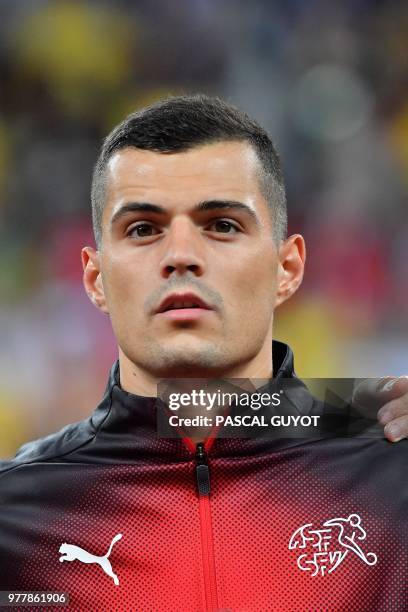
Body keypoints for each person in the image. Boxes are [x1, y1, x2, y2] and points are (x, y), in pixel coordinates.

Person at [0, 95, 406, 611]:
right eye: (144, 229)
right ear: (95, 278)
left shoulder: (395, 477)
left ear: (288, 268)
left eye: (222, 225)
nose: (182, 256)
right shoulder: (11, 518)